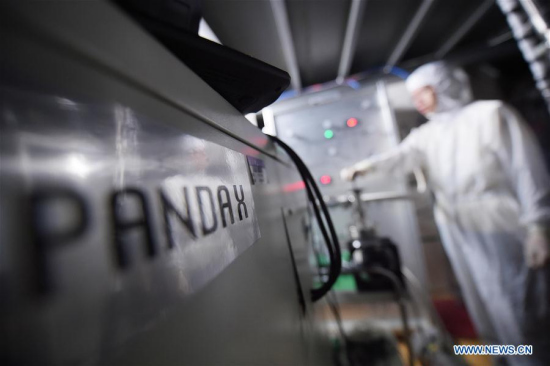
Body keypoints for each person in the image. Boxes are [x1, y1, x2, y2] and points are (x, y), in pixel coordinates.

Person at [341, 62, 550, 366]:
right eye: (413, 96)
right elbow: (401, 157)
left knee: (519, 306)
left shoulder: (490, 114)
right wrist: (367, 167)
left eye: (423, 92)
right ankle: (499, 359)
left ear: (444, 86)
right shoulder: (429, 133)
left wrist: (539, 226)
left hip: (500, 222)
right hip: (456, 226)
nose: (418, 101)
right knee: (480, 304)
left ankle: (533, 360)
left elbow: (527, 170)